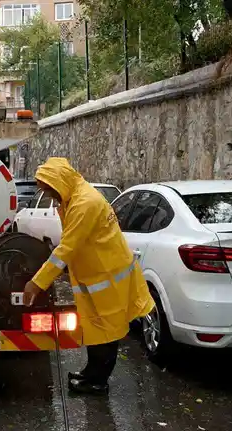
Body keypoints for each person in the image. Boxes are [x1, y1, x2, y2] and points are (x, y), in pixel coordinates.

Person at [22, 158, 155, 395]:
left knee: (106, 333)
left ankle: (97, 381)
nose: (50, 196)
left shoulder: (85, 203)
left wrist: (37, 283)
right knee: (95, 329)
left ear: (59, 181)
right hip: (97, 277)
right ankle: (90, 372)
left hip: (109, 278)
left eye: (49, 190)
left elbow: (66, 248)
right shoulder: (74, 197)